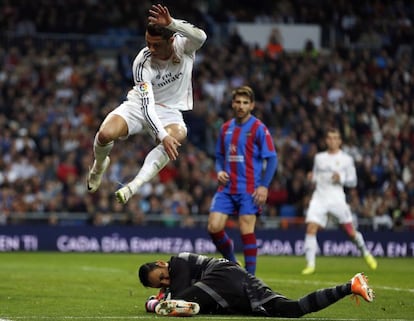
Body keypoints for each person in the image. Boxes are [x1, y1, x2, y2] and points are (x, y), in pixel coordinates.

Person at [86, 4, 207, 204]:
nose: (150, 49)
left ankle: (134, 186)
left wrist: (173, 23)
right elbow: (146, 106)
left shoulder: (184, 46)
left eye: (156, 45)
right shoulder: (142, 63)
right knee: (105, 134)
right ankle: (99, 166)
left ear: (171, 39)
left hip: (169, 110)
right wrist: (162, 135)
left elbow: (201, 37)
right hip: (139, 106)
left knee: (179, 134)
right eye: (147, 43)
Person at [138, 252, 375, 317]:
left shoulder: (178, 261)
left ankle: (163, 305)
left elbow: (178, 295)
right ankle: (350, 286)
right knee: (292, 310)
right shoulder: (175, 281)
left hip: (223, 275)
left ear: (161, 263)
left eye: (162, 276)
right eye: (161, 283)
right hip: (239, 283)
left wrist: (155, 303)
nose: (166, 280)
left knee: (178, 302)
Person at [207, 86, 278, 275]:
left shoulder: (259, 128)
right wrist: (219, 170)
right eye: (238, 102)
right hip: (227, 188)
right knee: (213, 227)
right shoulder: (225, 128)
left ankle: (250, 278)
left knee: (246, 229)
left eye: (245, 103)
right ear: (232, 103)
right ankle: (231, 260)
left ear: (252, 105)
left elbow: (271, 158)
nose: (241, 106)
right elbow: (219, 156)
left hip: (249, 189)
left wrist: (264, 186)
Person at [302, 127, 378, 275]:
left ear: (340, 141)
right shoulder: (319, 158)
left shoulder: (346, 159)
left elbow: (353, 181)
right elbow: (317, 177)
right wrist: (311, 178)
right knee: (311, 228)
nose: (332, 141)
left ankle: (365, 252)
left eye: (335, 138)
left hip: (337, 199)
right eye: (330, 138)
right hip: (319, 198)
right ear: (326, 140)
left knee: (350, 232)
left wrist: (341, 178)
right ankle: (310, 265)